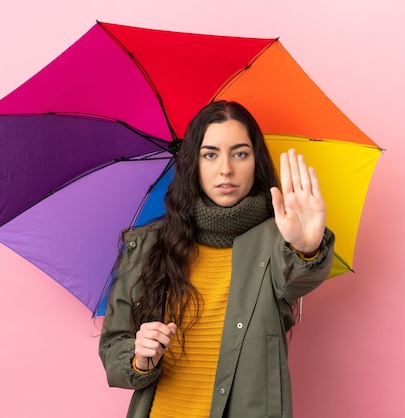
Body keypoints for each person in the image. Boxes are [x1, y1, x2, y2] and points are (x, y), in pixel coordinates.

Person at [99, 101, 335, 418]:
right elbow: (114, 346)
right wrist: (139, 357)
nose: (226, 169)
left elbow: (299, 277)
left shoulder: (278, 242)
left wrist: (307, 247)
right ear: (193, 163)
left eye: (240, 153)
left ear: (256, 161)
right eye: (210, 154)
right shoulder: (149, 245)